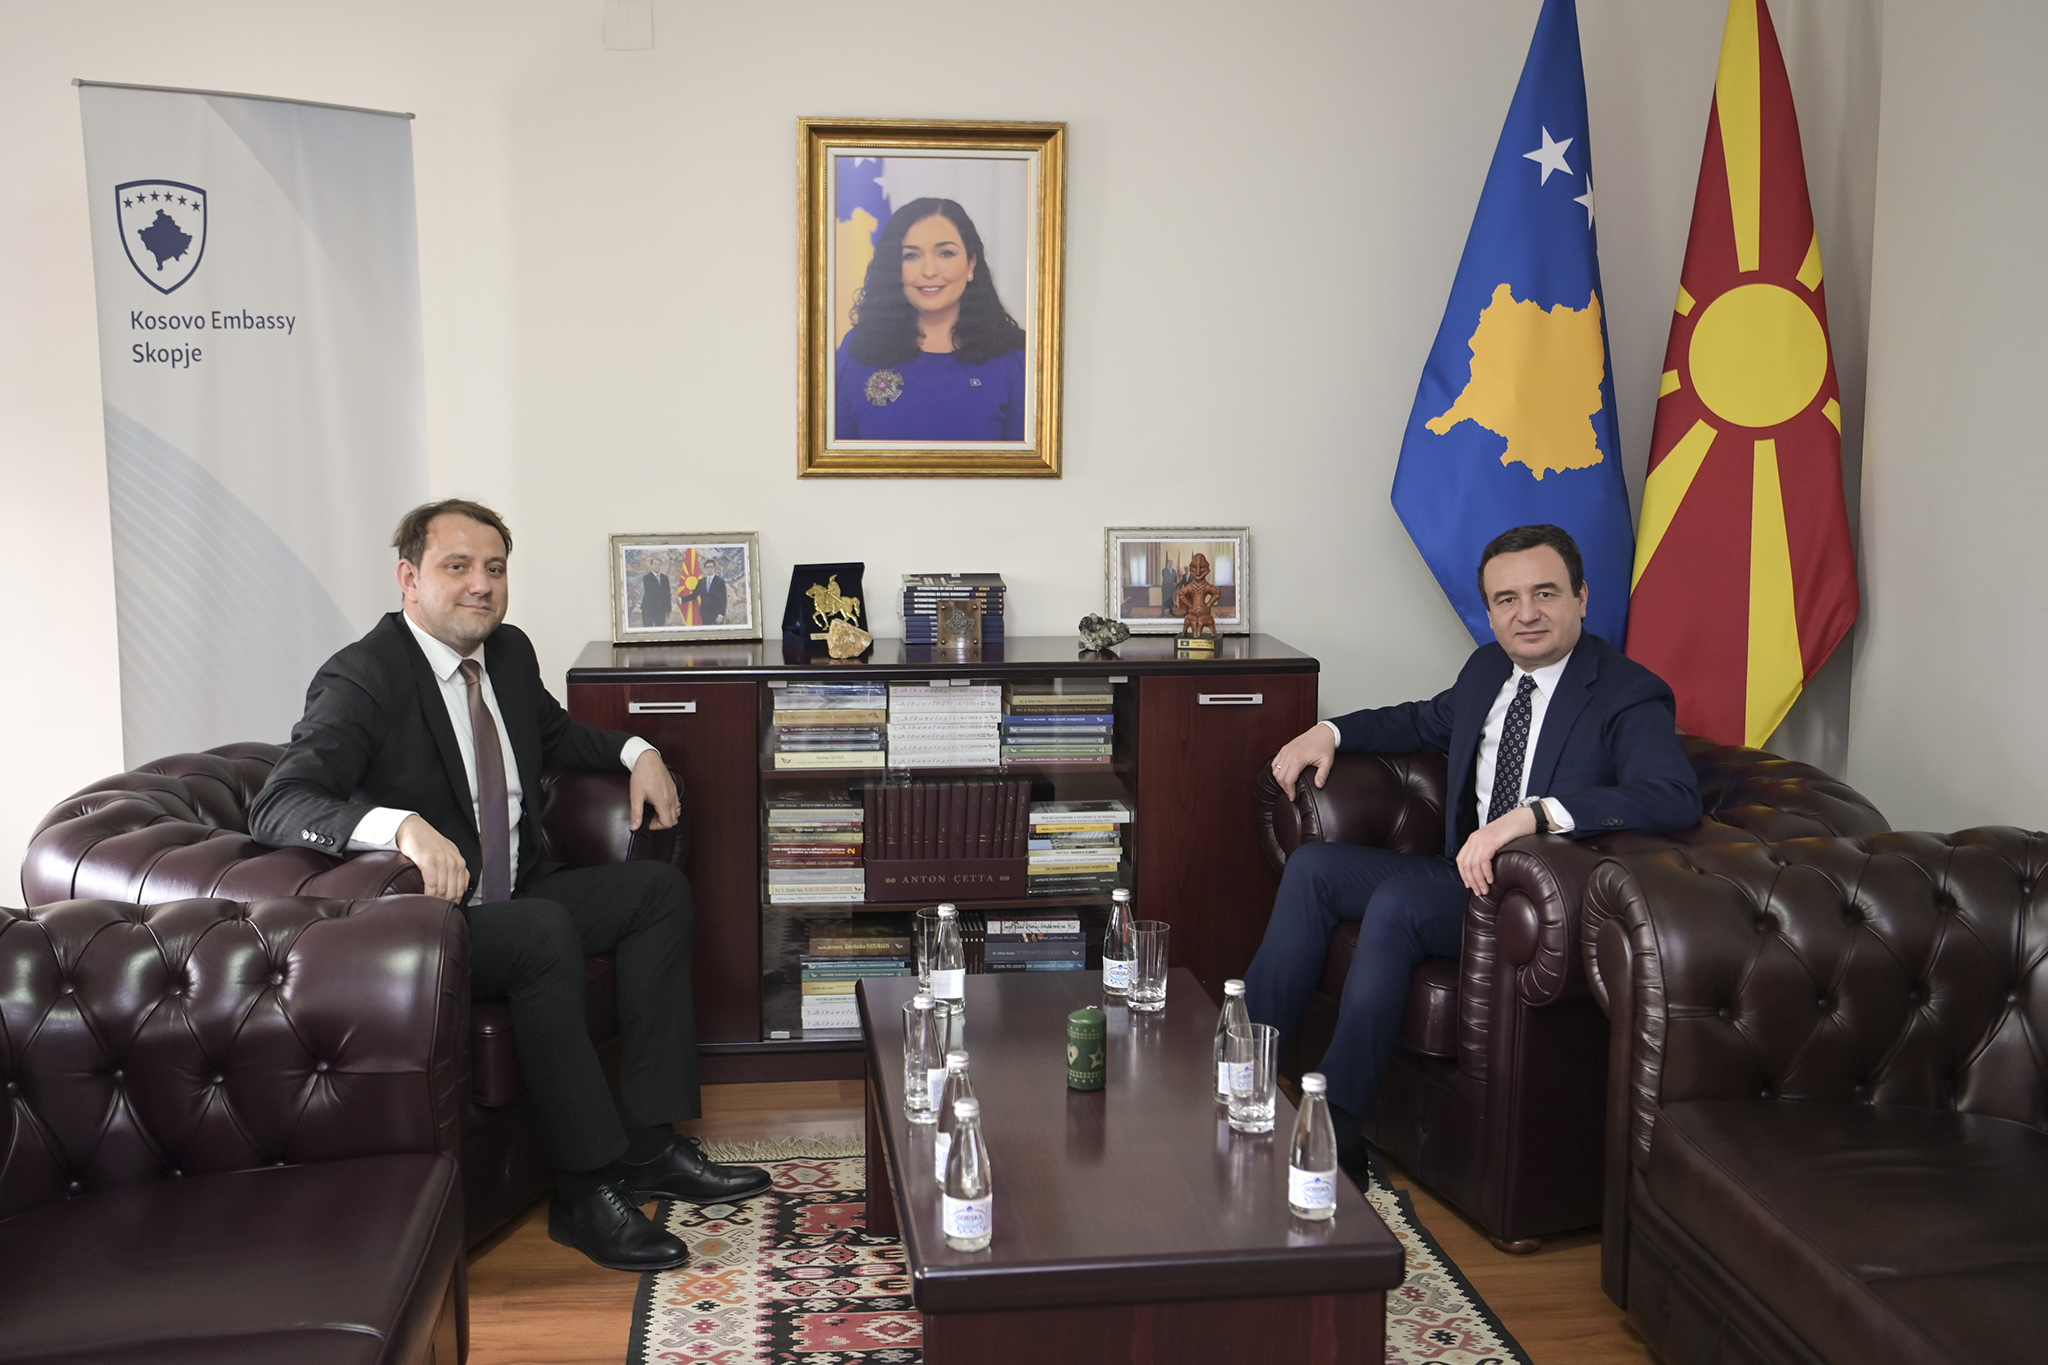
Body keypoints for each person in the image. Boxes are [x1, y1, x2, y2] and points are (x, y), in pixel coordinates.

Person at [250, 498, 771, 1274]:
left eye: (494, 568)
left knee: (654, 893)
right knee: (540, 931)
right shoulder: (364, 676)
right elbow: (280, 801)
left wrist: (637, 750)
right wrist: (400, 826)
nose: (481, 585)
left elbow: (555, 734)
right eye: (457, 566)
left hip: (519, 888)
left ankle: (649, 1144)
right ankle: (584, 1191)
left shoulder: (508, 652)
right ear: (409, 578)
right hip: (431, 922)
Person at [1246, 524, 1700, 1180]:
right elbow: (1419, 720)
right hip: (1457, 874)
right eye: (1507, 599)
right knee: (1314, 868)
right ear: (1490, 612)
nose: (1527, 613)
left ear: (1581, 597)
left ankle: (1338, 1122)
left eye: (1545, 593)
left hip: (1533, 901)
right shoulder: (1488, 669)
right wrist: (1329, 730)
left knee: (1399, 902)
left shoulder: (1628, 692)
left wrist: (1536, 814)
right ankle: (1245, 1069)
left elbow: (1672, 794)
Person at [835, 197, 1027, 442]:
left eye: (946, 253)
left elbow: (1030, 464)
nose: (929, 271)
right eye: (911, 256)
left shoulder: (1015, 357)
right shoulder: (858, 348)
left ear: (971, 264)